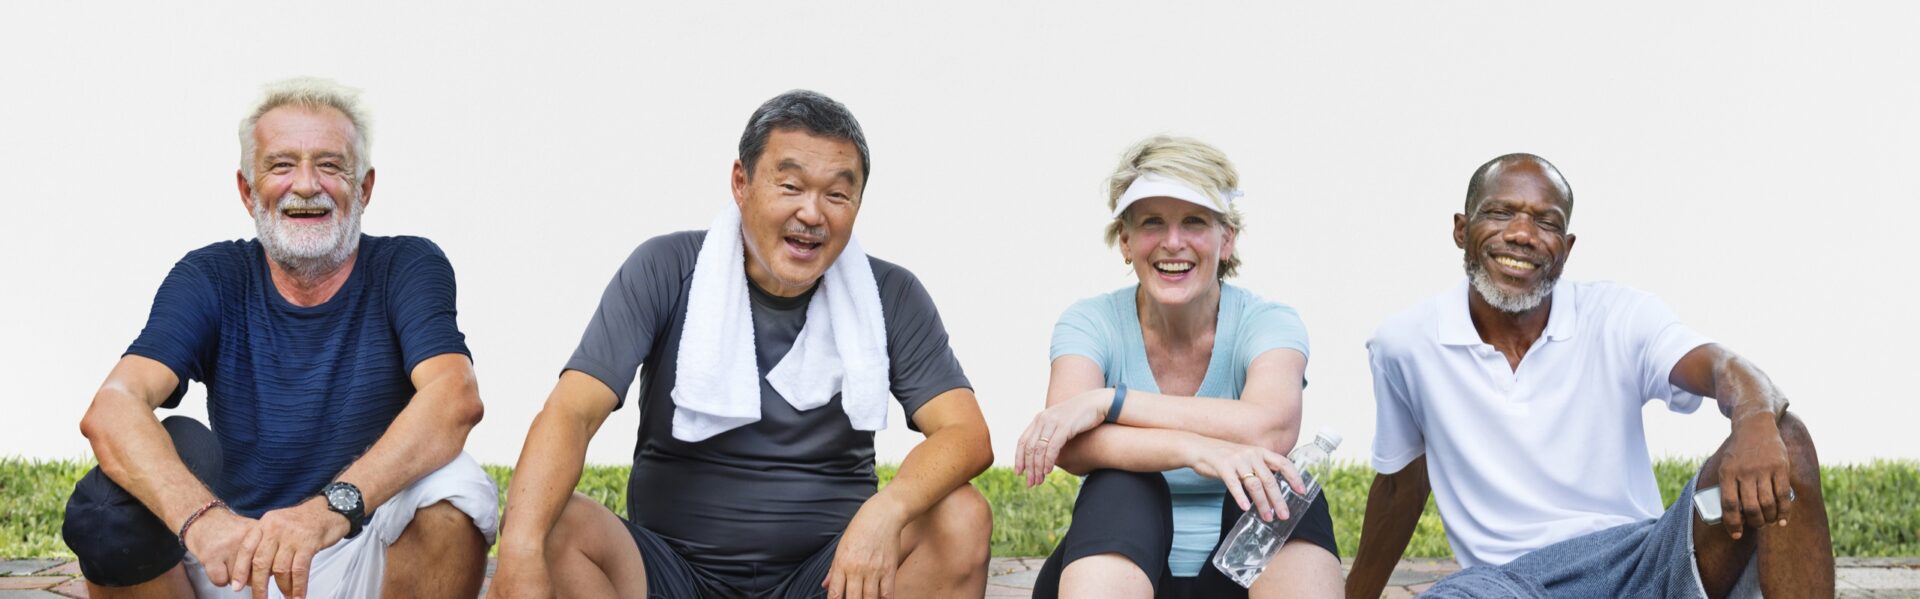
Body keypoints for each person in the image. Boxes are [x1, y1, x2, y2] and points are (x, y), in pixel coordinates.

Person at [489, 90, 993, 599]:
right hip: (668, 575)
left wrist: (889, 508)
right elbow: (572, 412)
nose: (812, 213)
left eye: (837, 195)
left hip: (829, 578)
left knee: (961, 514)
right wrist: (519, 553)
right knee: (549, 522)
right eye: (790, 185)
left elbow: (966, 433)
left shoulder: (891, 295)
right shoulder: (666, 268)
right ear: (741, 183)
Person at [64, 77, 497, 598]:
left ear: (364, 188)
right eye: (282, 164)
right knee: (108, 509)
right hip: (235, 559)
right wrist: (204, 521)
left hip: (361, 558)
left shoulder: (406, 267)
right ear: (249, 191)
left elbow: (454, 396)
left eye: (331, 165)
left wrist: (328, 509)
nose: (307, 184)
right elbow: (112, 408)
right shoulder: (211, 276)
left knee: (458, 490)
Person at [1345, 154, 1834, 598]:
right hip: (1511, 584)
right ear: (1460, 228)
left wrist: (1752, 422)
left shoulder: (1619, 316)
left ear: (1567, 246)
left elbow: (1723, 365)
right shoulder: (1404, 344)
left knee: (1784, 438)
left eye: (1546, 222)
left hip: (1647, 559)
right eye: (1500, 213)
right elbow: (1400, 485)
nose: (1522, 234)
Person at [1015, 136, 1343, 598]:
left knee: (1282, 486)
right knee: (1120, 486)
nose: (1173, 242)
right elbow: (1067, 443)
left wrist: (1110, 401)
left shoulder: (1268, 322)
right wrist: (1199, 451)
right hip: (1119, 570)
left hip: (1239, 581)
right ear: (1125, 241)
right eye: (1153, 223)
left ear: (1225, 239)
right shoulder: (1089, 322)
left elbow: (1269, 429)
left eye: (1193, 221)